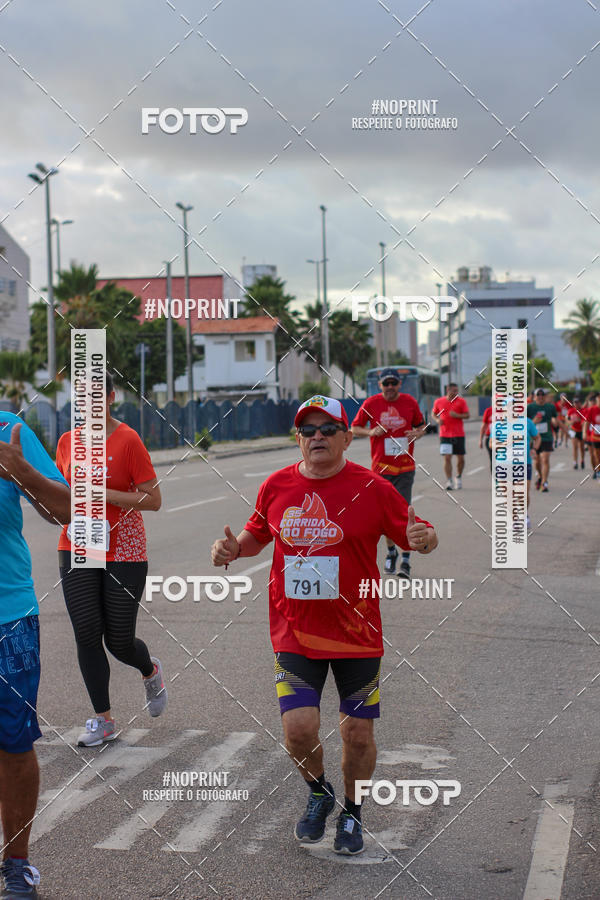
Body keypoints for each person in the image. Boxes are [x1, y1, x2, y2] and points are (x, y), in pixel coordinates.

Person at [211, 396, 438, 855]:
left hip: (357, 635)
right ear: (298, 440)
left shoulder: (372, 487)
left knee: (357, 733)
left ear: (347, 438)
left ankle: (352, 813)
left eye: (327, 428)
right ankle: (319, 793)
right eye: (308, 430)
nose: (317, 436)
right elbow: (257, 533)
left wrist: (425, 539)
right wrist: (234, 549)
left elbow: (417, 533)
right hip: (294, 631)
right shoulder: (276, 485)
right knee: (298, 729)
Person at [55, 373, 167, 748]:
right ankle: (103, 720)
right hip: (78, 545)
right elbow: (59, 496)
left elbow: (153, 499)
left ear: (112, 397)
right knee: (86, 632)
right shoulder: (67, 442)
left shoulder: (128, 440)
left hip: (124, 548)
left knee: (118, 641)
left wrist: (108, 494)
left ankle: (150, 671)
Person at [0, 413, 70, 899]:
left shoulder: (10, 431)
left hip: (8, 620)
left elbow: (71, 513)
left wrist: (25, 474)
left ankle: (16, 862)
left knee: (13, 744)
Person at [350, 367, 427, 580]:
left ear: (400, 384)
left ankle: (405, 560)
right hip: (381, 469)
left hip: (405, 468)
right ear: (380, 385)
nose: (390, 387)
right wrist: (371, 431)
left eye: (394, 383)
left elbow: (422, 427)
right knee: (384, 515)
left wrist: (417, 434)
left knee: (403, 514)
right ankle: (391, 552)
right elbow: (354, 428)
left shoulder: (410, 402)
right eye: (386, 383)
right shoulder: (371, 404)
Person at [431, 383, 470, 490]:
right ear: (448, 390)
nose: (456, 393)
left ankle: (458, 477)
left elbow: (467, 415)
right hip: (445, 435)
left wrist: (457, 415)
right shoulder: (439, 401)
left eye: (457, 391)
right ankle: (449, 480)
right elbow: (434, 413)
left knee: (460, 458)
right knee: (447, 458)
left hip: (458, 434)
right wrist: (438, 420)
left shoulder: (461, 401)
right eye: (454, 391)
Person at [527, 388, 565, 492]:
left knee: (545, 459)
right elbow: (525, 424)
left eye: (542, 395)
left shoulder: (550, 407)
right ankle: (540, 475)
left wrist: (565, 430)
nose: (540, 397)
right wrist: (534, 421)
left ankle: (544, 482)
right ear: (534, 397)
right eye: (538, 395)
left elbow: (556, 419)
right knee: (537, 461)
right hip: (534, 438)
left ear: (545, 396)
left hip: (547, 437)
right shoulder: (529, 407)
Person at [526, 418, 542, 530]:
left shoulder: (527, 422)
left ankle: (523, 516)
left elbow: (537, 438)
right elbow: (491, 443)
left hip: (524, 462)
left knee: (523, 492)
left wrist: (534, 449)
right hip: (505, 463)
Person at [582, 392, 600, 479]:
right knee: (594, 455)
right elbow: (586, 423)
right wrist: (584, 433)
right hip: (593, 437)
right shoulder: (591, 410)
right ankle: (596, 470)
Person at [566, 396, 585, 469]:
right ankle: (575, 462)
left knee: (582, 447)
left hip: (581, 431)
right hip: (574, 430)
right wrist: (571, 422)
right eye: (575, 402)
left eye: (578, 402)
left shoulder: (583, 410)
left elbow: (586, 421)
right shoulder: (570, 411)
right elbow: (566, 420)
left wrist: (580, 421)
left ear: (580, 403)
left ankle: (582, 460)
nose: (576, 404)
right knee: (575, 447)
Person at [479, 404, 493, 473]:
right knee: (492, 459)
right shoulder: (488, 410)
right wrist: (480, 440)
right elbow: (483, 425)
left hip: (502, 438)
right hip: (490, 438)